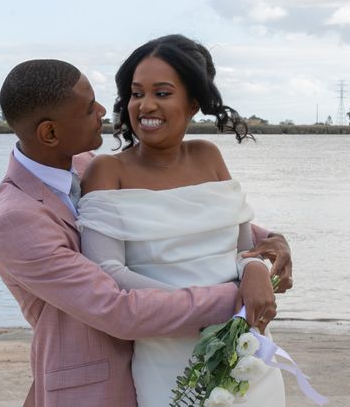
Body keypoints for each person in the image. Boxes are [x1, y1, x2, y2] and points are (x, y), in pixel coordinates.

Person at [0, 59, 293, 407]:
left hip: (172, 357)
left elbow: (169, 218)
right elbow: (117, 308)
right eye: (89, 109)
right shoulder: (16, 218)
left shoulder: (87, 165)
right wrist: (237, 297)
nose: (105, 109)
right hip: (97, 383)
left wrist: (265, 242)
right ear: (50, 133)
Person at [77, 34, 288, 406]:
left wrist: (255, 271)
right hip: (167, 358)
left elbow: (242, 251)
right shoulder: (107, 171)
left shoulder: (208, 157)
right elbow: (108, 272)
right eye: (136, 92)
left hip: (246, 351)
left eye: (162, 93)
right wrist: (211, 308)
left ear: (192, 102)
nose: (145, 105)